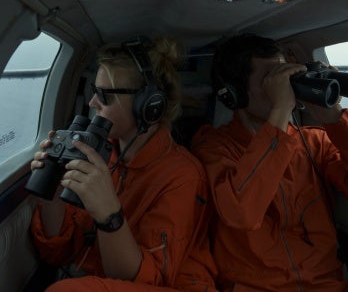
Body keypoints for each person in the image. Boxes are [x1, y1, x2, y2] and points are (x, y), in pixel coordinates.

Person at [29, 36, 217, 292]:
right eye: (94, 92)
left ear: (148, 106)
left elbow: (144, 281)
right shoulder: (103, 155)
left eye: (104, 95)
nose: (92, 103)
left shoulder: (183, 176)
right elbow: (59, 254)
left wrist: (109, 215)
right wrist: (50, 198)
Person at [191, 34, 348, 292]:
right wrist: (280, 111)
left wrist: (334, 119)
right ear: (235, 95)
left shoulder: (312, 143)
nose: (284, 87)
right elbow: (242, 213)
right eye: (272, 81)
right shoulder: (213, 148)